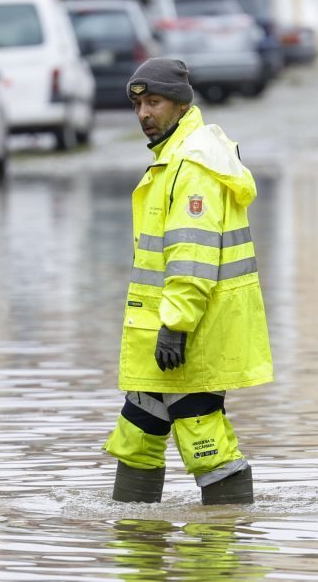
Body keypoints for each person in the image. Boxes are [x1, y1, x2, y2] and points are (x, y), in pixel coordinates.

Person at [103, 58, 273, 505]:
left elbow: (192, 256)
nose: (143, 114)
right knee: (138, 432)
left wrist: (175, 325)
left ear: (179, 105)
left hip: (188, 331)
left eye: (153, 102)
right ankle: (135, 548)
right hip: (163, 332)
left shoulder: (191, 164)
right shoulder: (174, 158)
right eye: (138, 104)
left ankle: (223, 551)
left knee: (203, 435)